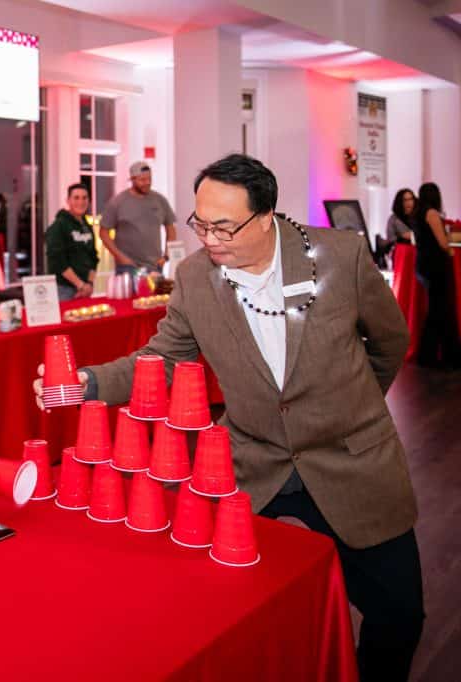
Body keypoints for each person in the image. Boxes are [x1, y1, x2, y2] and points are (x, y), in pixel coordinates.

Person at [34, 154, 422, 682]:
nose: (209, 239)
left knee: (398, 615)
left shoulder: (340, 256)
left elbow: (389, 342)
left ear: (266, 217)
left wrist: (352, 408)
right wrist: (89, 383)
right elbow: (165, 359)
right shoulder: (196, 278)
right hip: (254, 468)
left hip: (354, 463)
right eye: (200, 223)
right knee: (239, 612)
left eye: (224, 226)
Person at [411, 182, 458, 367]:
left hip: (423, 263)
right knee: (439, 311)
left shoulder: (417, 213)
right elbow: (443, 243)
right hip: (435, 265)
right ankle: (435, 356)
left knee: (435, 309)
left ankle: (428, 355)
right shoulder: (431, 213)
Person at [99, 161, 177, 273]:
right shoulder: (118, 202)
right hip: (127, 267)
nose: (147, 183)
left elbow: (171, 228)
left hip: (155, 266)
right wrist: (120, 257)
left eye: (149, 179)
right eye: (142, 180)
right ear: (132, 179)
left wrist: (166, 256)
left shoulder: (160, 200)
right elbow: (103, 233)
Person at [46, 182, 98, 301]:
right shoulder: (58, 226)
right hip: (64, 290)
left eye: (84, 198)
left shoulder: (87, 226)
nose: (81, 202)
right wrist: (80, 285)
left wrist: (89, 283)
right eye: (76, 198)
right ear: (68, 200)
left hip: (85, 289)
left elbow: (93, 257)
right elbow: (58, 261)